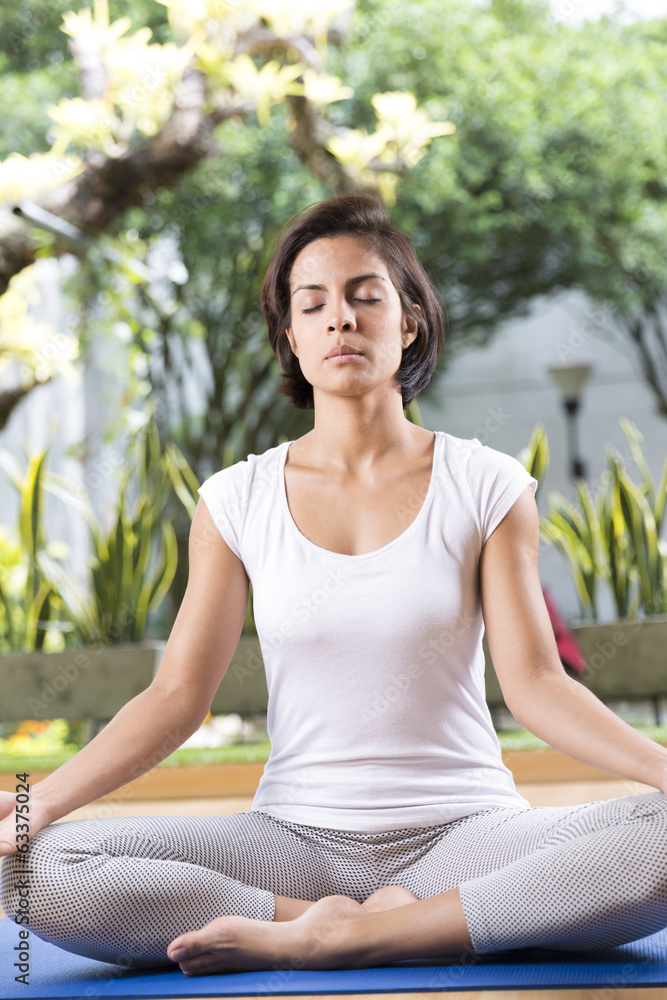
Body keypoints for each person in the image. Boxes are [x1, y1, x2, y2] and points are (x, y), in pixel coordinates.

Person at [1, 193, 666, 976]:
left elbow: (537, 686)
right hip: (292, 847)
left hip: (467, 835)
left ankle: (351, 937)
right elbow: (175, 697)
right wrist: (29, 804)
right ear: (291, 336)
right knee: (33, 869)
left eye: (364, 297)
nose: (339, 320)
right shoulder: (234, 499)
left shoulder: (485, 484)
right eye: (311, 304)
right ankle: (318, 923)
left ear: (408, 320)